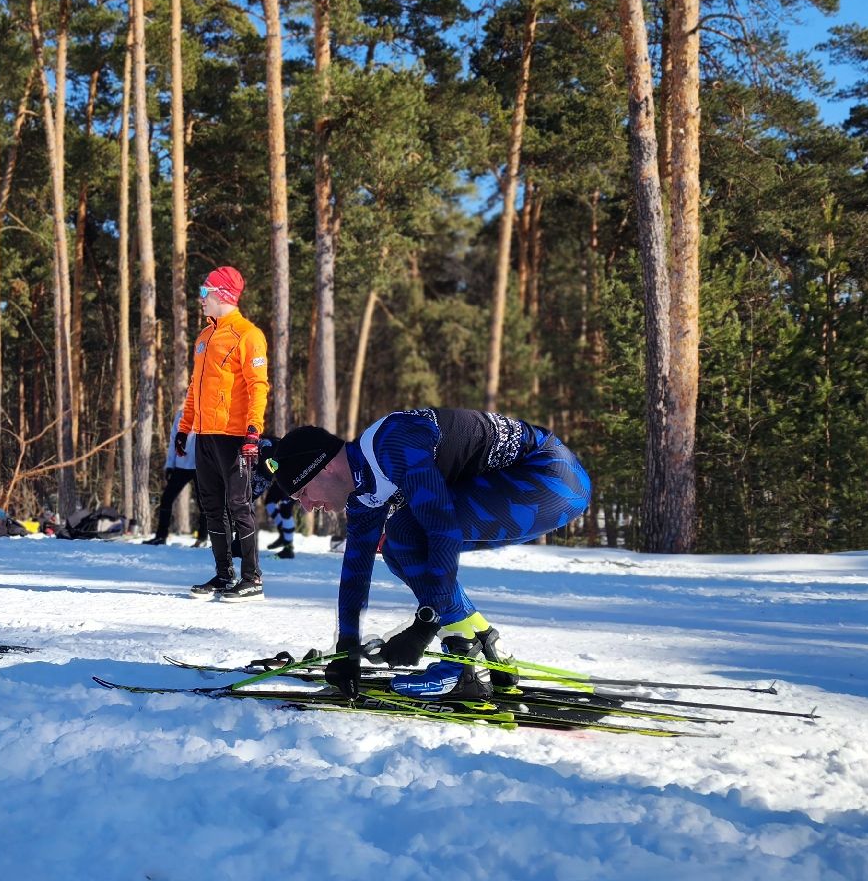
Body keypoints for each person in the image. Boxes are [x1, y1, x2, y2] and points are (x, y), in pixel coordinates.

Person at [263, 408, 592, 701]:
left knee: (406, 532)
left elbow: (443, 530)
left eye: (303, 492)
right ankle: (484, 642)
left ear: (326, 469)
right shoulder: (364, 490)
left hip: (553, 479)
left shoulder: (392, 444)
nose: (306, 506)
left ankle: (463, 661)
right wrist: (346, 649)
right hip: (534, 485)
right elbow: (355, 570)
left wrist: (425, 624)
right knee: (396, 546)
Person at [175, 265, 269, 601]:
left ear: (222, 295)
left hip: (234, 436)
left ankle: (252, 578)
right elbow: (193, 389)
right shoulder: (203, 337)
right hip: (205, 434)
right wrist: (185, 428)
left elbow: (258, 386)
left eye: (204, 292)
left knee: (238, 504)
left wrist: (253, 431)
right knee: (212, 506)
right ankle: (222, 574)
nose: (200, 299)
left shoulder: (247, 335)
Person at [146, 411, 203, 547]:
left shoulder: (208, 413)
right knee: (166, 498)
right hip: (181, 465)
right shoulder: (181, 415)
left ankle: (202, 538)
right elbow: (173, 440)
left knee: (204, 504)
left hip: (201, 466)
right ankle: (161, 536)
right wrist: (169, 465)